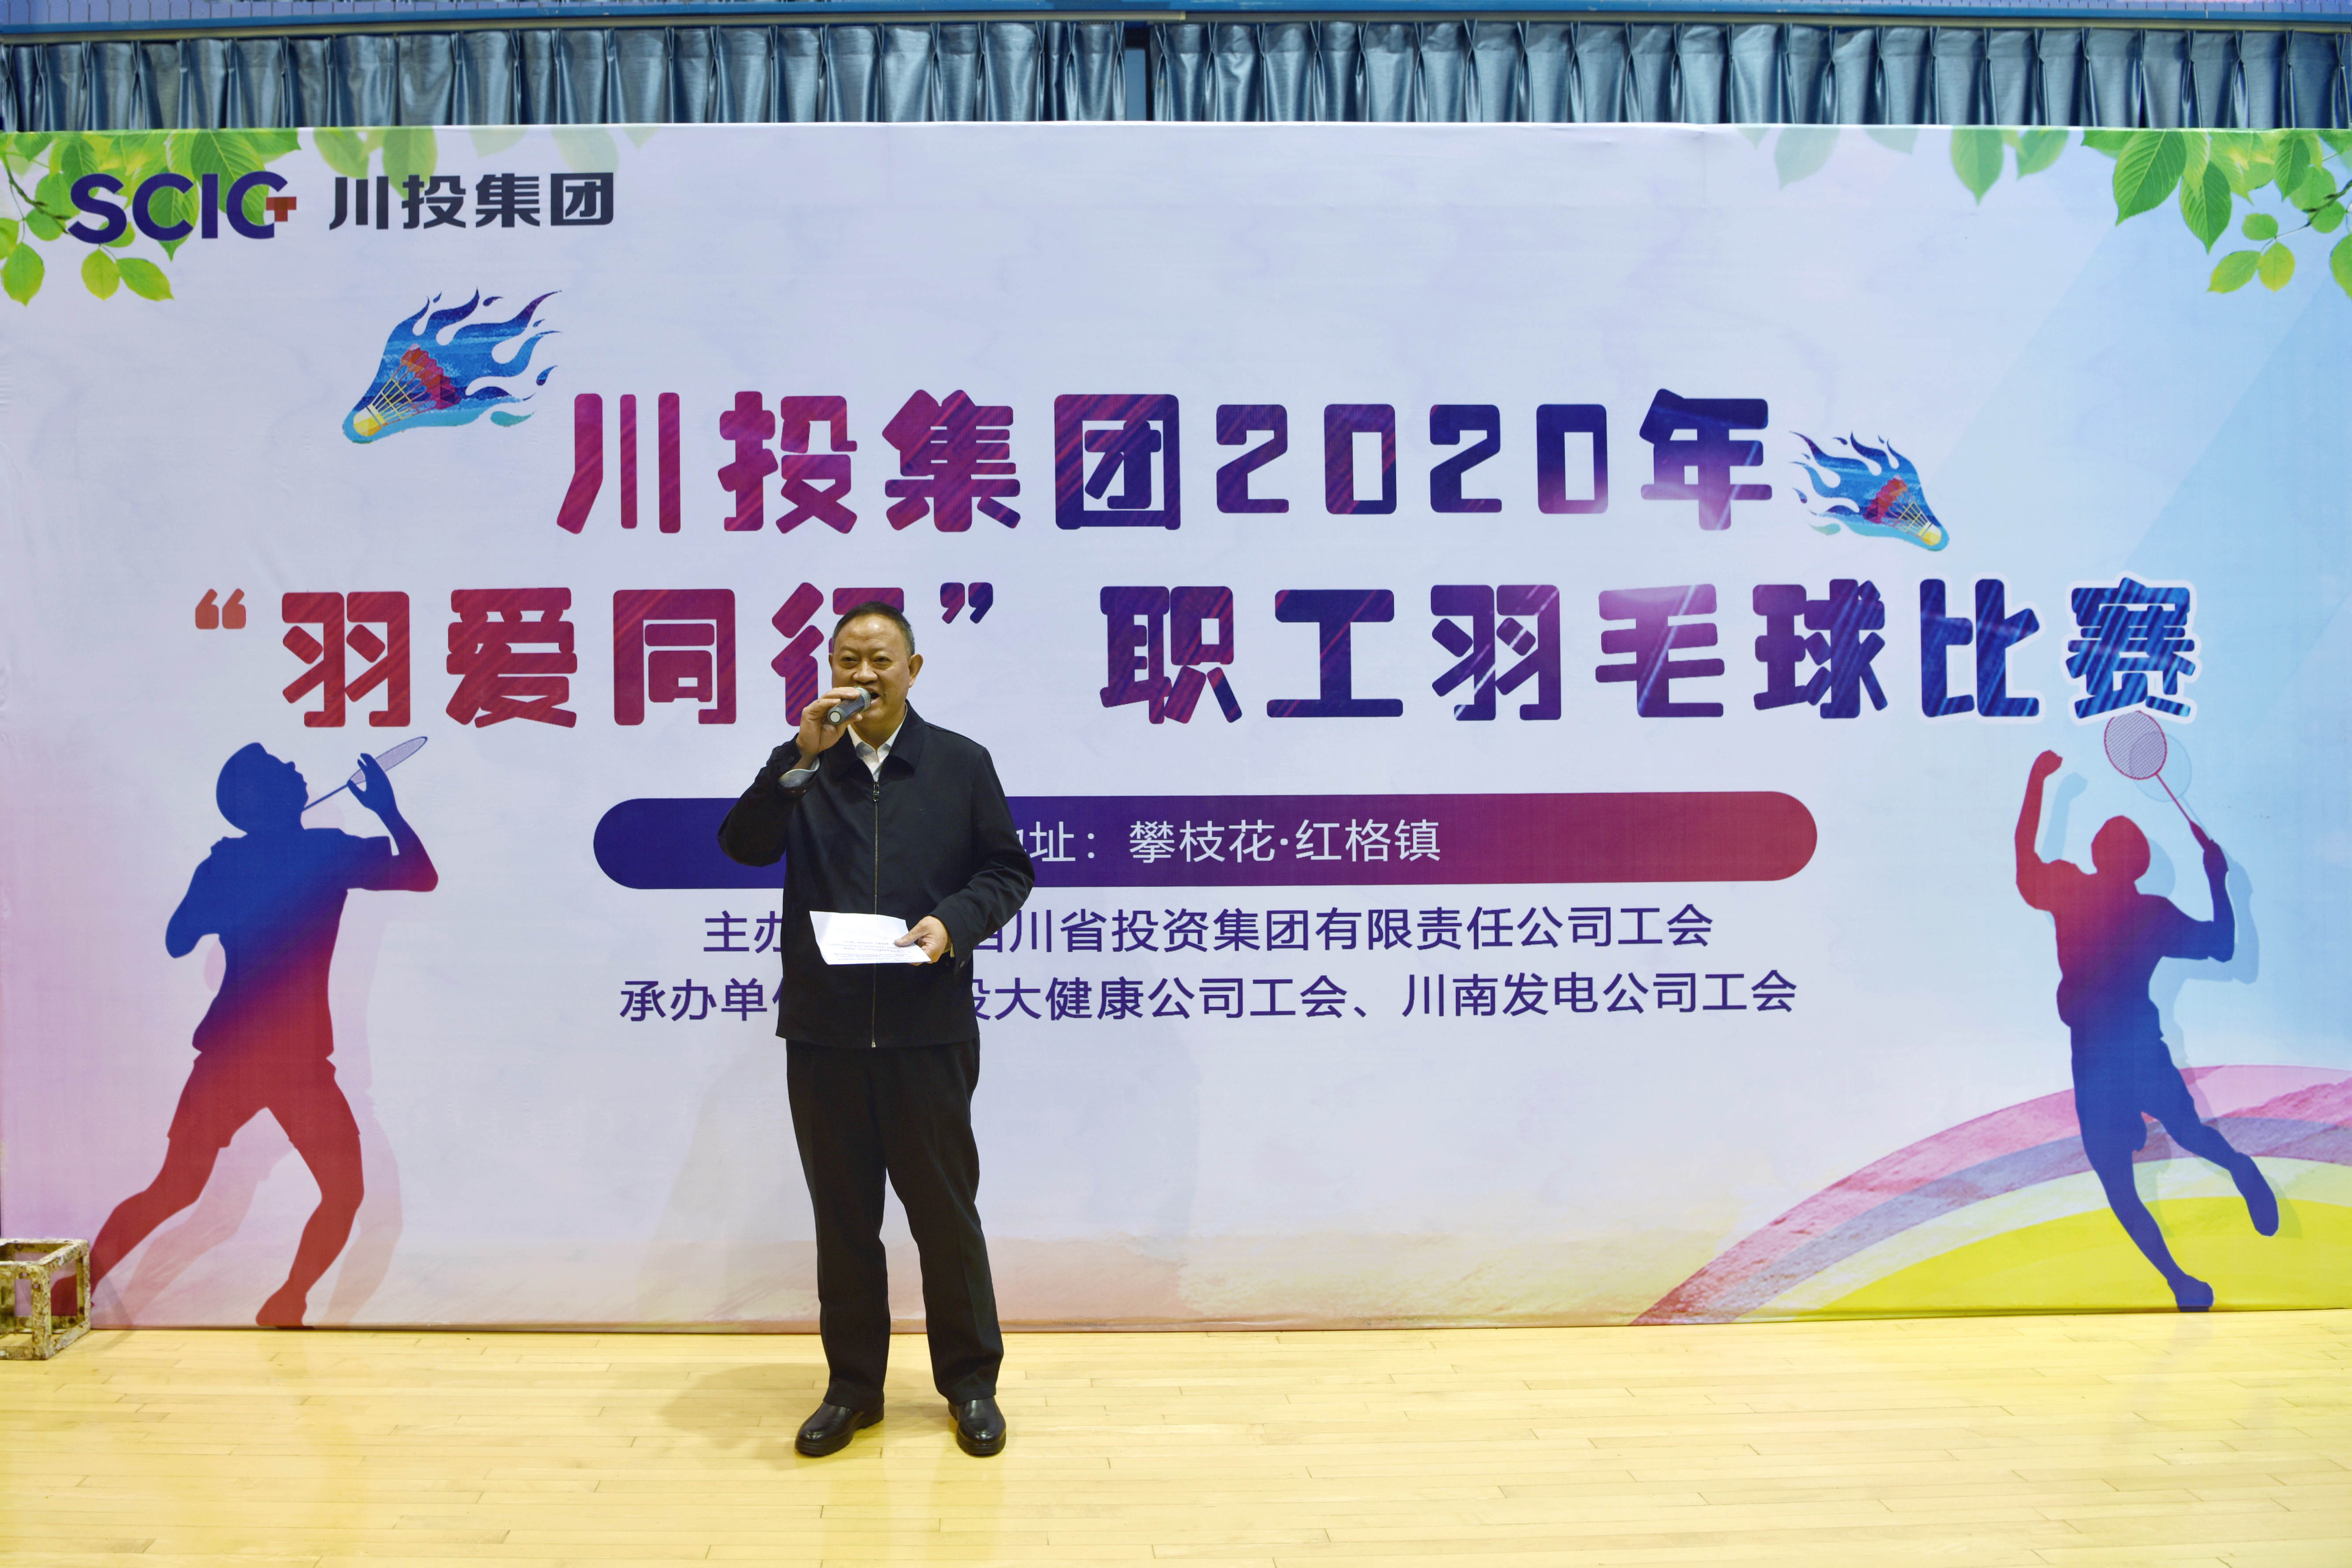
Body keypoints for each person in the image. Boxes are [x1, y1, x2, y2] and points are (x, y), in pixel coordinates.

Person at [718, 602, 1033, 1458]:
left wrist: (952, 923)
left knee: (944, 1217)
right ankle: (853, 1388)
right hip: (823, 1032)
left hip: (926, 1029)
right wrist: (796, 757)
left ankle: (970, 1384)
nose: (863, 676)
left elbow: (1007, 869)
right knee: (844, 1221)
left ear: (912, 670)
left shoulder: (959, 763)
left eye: (880, 660)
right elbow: (743, 845)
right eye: (848, 660)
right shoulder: (806, 763)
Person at [86, 744, 437, 1327]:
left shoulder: (241, 861)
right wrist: (387, 810)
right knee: (338, 1193)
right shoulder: (323, 851)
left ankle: (282, 1301)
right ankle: (287, 1300)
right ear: (265, 798)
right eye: (281, 769)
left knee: (178, 1189)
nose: (295, 768)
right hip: (288, 1058)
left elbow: (178, 938)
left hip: (242, 1055)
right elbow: (420, 873)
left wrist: (224, 889)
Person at [2015, 749, 2275, 1310]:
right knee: (2187, 1133)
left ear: (2095, 854)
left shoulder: (2071, 891)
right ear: (2138, 865)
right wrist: (2218, 880)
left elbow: (2023, 858)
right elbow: (2222, 945)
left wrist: (2037, 784)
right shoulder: (2151, 912)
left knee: (2118, 1183)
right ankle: (2237, 1169)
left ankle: (2179, 1281)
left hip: (2095, 1057)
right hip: (2135, 1048)